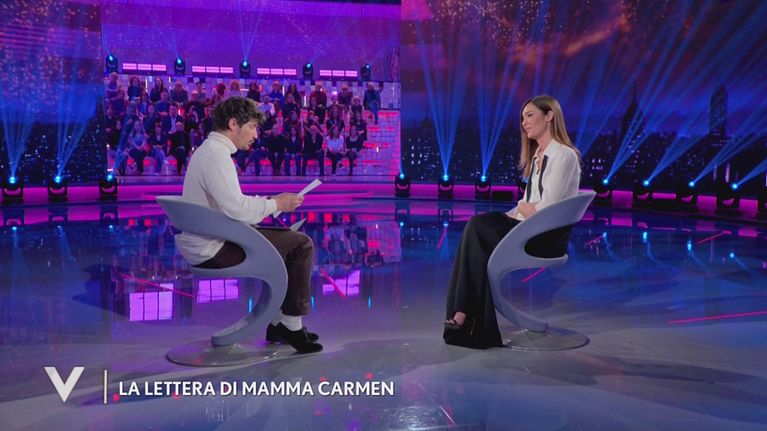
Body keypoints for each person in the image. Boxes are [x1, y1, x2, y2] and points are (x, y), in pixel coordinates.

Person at [175, 97, 322, 353]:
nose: (256, 135)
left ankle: (279, 323)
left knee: (288, 236)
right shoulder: (216, 156)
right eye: (252, 127)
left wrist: (272, 202)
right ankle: (290, 325)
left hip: (215, 238)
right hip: (214, 249)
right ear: (234, 124)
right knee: (301, 245)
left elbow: (234, 205)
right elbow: (237, 209)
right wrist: (275, 204)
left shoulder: (211, 151)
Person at [443, 95, 581, 349]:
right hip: (527, 226)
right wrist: (522, 209)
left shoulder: (564, 156)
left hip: (543, 237)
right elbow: (529, 205)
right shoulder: (538, 155)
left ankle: (465, 314)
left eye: (530, 115)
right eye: (522, 118)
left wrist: (524, 208)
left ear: (549, 116)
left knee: (478, 229)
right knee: (476, 226)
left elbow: (546, 210)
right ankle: (464, 313)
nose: (524, 122)